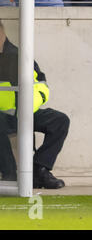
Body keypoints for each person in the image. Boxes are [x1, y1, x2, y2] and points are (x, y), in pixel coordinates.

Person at [0, 21, 70, 188]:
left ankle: (40, 170)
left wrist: (26, 109)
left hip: (25, 111)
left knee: (60, 120)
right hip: (3, 115)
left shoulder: (19, 56)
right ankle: (10, 173)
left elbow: (41, 86)